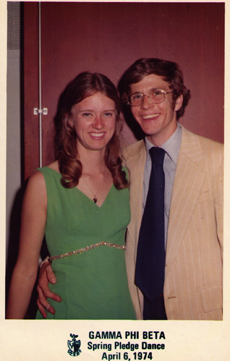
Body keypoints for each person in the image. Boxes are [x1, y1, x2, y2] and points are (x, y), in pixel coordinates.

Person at [37, 58, 223, 320]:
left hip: (200, 314)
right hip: (136, 310)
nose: (146, 105)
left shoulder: (218, 160)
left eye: (157, 93)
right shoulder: (121, 163)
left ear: (178, 100)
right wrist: (48, 262)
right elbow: (88, 221)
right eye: (137, 96)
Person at [6, 72, 136, 320]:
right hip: (65, 314)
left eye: (107, 114)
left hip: (119, 316)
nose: (98, 124)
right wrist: (10, 339)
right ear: (69, 120)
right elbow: (24, 270)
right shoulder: (42, 183)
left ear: (116, 119)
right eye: (87, 114)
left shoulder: (126, 176)